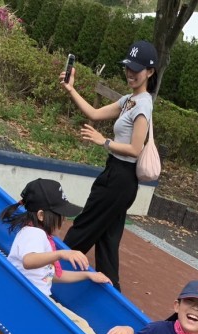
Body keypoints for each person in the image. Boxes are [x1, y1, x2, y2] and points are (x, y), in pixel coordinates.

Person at [0, 178, 162, 334]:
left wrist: (87, 275)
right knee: (80, 328)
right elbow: (29, 261)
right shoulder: (34, 233)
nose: (63, 220)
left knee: (80, 326)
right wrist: (62, 253)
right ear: (41, 215)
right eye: (59, 215)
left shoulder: (37, 235)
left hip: (35, 300)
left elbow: (50, 275)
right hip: (32, 303)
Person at [60, 40, 158, 292]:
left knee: (83, 228)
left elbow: (135, 149)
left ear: (150, 72)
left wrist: (103, 141)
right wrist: (71, 89)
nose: (130, 73)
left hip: (120, 178)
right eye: (128, 67)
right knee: (107, 240)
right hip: (117, 176)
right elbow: (94, 113)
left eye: (136, 69)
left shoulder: (143, 105)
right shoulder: (129, 100)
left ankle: (51, 271)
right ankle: (112, 293)